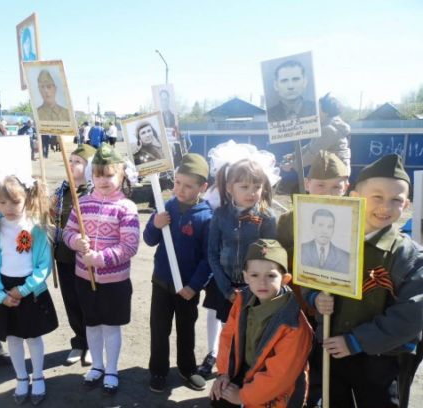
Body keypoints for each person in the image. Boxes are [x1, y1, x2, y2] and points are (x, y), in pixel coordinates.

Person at [309, 154, 423, 407]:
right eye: (377, 197)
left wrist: (357, 341)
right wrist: (315, 297)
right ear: (355, 196)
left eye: (396, 200)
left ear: (406, 204)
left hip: (380, 359)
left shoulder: (409, 256)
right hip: (330, 348)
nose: (385, 207)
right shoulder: (331, 239)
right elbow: (310, 276)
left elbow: (412, 315)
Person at [63, 144, 140, 395]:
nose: (103, 180)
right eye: (97, 175)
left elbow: (129, 246)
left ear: (121, 175)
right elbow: (68, 232)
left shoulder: (126, 207)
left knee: (111, 326)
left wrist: (100, 258)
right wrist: (76, 242)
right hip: (84, 279)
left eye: (109, 175)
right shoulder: (82, 203)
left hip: (114, 281)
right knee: (92, 324)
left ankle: (112, 369)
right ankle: (97, 365)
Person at [276, 150, 350, 407]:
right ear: (307, 184)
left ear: (346, 187)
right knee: (299, 362)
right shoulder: (289, 219)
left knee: (329, 366)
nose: (328, 193)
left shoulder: (353, 218)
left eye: (336, 187)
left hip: (337, 309)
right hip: (299, 304)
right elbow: (280, 261)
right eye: (320, 185)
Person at [0, 174, 58, 406]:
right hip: (4, 291)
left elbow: (44, 264)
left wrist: (24, 290)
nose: (8, 208)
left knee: (33, 336)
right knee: (13, 337)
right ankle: (21, 377)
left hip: (30, 290)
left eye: (15, 201)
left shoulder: (36, 227)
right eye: (2, 202)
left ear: (27, 198)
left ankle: (38, 376)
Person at [209, 239, 312, 408]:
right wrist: (224, 374)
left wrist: (242, 396)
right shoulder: (242, 300)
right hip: (246, 373)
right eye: (254, 275)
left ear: (285, 279)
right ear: (245, 276)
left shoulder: (294, 324)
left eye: (271, 276)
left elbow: (279, 376)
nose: (262, 282)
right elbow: (228, 337)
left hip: (276, 393)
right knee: (218, 397)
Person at [143, 154, 212, 393]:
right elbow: (149, 239)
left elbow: (208, 259)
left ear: (203, 187)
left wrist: (194, 286)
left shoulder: (206, 217)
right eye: (177, 182)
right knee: (159, 329)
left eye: (188, 186)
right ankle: (158, 370)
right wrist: (155, 224)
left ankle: (187, 368)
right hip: (161, 282)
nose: (180, 189)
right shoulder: (165, 207)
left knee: (186, 329)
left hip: (187, 288)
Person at [207, 158, 276, 333]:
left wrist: (254, 288)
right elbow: (212, 254)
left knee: (252, 334)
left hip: (255, 290)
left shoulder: (266, 218)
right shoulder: (220, 215)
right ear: (230, 188)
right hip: (226, 289)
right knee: (229, 333)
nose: (251, 193)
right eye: (244, 187)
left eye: (257, 187)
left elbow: (270, 258)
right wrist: (227, 290)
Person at [52, 144, 96, 366]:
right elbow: (52, 217)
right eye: (70, 160)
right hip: (64, 256)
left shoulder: (93, 192)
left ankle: (92, 344)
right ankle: (79, 341)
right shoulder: (61, 191)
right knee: (71, 300)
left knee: (88, 301)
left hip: (85, 258)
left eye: (78, 161)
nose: (71, 164)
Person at [282, 93, 351, 175]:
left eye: (317, 108)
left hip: (335, 173)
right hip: (334, 170)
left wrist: (292, 165)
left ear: (326, 112)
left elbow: (313, 154)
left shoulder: (329, 130)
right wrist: (294, 155)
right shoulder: (327, 125)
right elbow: (311, 146)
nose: (314, 111)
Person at [300, 208, 350, 274]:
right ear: (312, 227)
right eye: (320, 225)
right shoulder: (301, 249)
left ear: (333, 230)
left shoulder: (345, 257)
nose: (325, 231)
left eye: (329, 226)